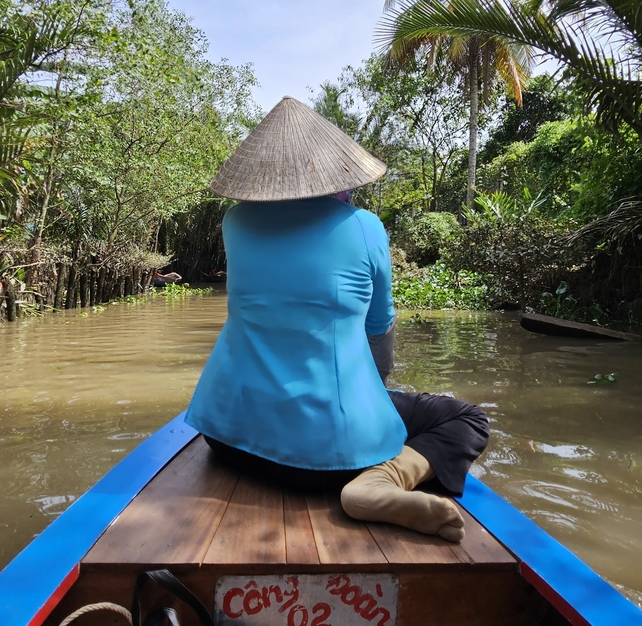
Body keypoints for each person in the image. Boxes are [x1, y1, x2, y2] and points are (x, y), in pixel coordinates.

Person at [184, 96, 489, 542]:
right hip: (333, 456)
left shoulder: (235, 222)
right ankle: (380, 481)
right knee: (467, 418)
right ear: (336, 172)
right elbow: (379, 330)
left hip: (226, 438)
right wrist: (373, 391)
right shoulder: (365, 226)